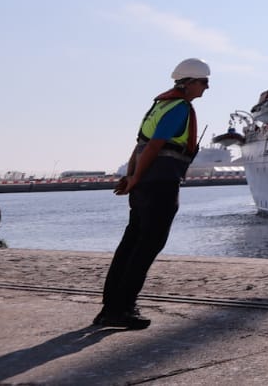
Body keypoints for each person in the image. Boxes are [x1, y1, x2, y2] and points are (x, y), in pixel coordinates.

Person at [96, 58, 210, 330]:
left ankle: (110, 307)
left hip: (144, 186)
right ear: (190, 82)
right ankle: (123, 309)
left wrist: (131, 177)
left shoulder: (159, 105)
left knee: (130, 244)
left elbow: (140, 145)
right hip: (161, 184)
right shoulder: (180, 108)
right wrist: (133, 177)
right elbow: (155, 145)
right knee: (147, 246)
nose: (207, 88)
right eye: (204, 82)